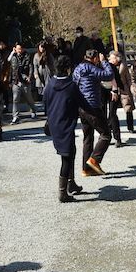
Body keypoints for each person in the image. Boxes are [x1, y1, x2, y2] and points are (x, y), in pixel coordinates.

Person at [43, 55, 83, 202]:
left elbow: (45, 103)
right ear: (68, 68)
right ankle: (62, 193)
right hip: (66, 124)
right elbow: (82, 103)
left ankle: (71, 184)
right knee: (66, 157)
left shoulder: (50, 84)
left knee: (70, 152)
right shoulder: (71, 85)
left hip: (55, 124)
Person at [72, 47, 113, 177]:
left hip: (81, 107)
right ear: (94, 58)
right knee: (106, 134)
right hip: (92, 106)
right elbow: (109, 75)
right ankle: (94, 160)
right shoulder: (91, 68)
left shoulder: (78, 68)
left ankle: (86, 169)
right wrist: (104, 62)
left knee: (88, 138)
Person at [107, 48, 135, 137]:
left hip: (124, 89)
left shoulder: (124, 66)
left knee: (128, 108)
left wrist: (132, 87)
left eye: (111, 58)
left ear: (117, 58)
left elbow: (129, 78)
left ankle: (130, 126)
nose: (110, 60)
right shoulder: (108, 66)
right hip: (114, 90)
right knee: (112, 111)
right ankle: (111, 126)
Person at [9, 41, 37, 123]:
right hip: (16, 80)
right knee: (15, 99)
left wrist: (29, 76)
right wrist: (12, 52)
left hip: (25, 80)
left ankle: (33, 110)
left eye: (20, 49)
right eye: (18, 49)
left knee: (29, 98)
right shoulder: (13, 56)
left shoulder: (27, 56)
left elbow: (30, 66)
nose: (19, 50)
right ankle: (15, 116)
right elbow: (8, 60)